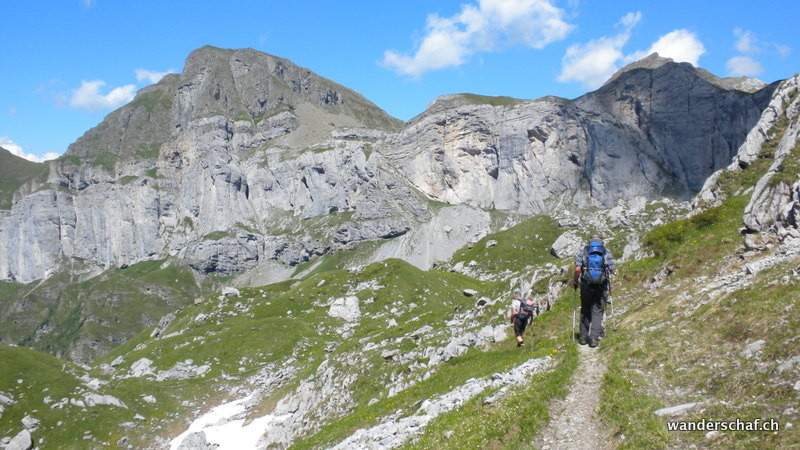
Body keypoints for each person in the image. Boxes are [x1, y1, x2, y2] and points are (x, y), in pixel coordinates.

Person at [572, 234, 617, 348]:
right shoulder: (606, 251)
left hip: (586, 285)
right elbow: (612, 270)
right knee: (597, 311)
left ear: (590, 241)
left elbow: (577, 269)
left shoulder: (584, 251)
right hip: (601, 286)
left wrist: (575, 281)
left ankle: (583, 337)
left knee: (585, 310)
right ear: (601, 241)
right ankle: (594, 339)